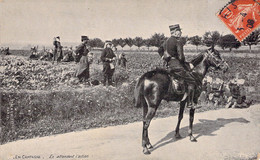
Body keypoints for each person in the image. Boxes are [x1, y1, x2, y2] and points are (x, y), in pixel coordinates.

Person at [158, 24, 198, 108]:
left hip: (168, 66)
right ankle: (190, 103)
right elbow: (181, 57)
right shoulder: (178, 41)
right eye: (179, 31)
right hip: (177, 67)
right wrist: (186, 63)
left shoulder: (166, 41)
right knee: (192, 81)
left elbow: (159, 50)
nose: (181, 33)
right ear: (175, 32)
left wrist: (163, 57)